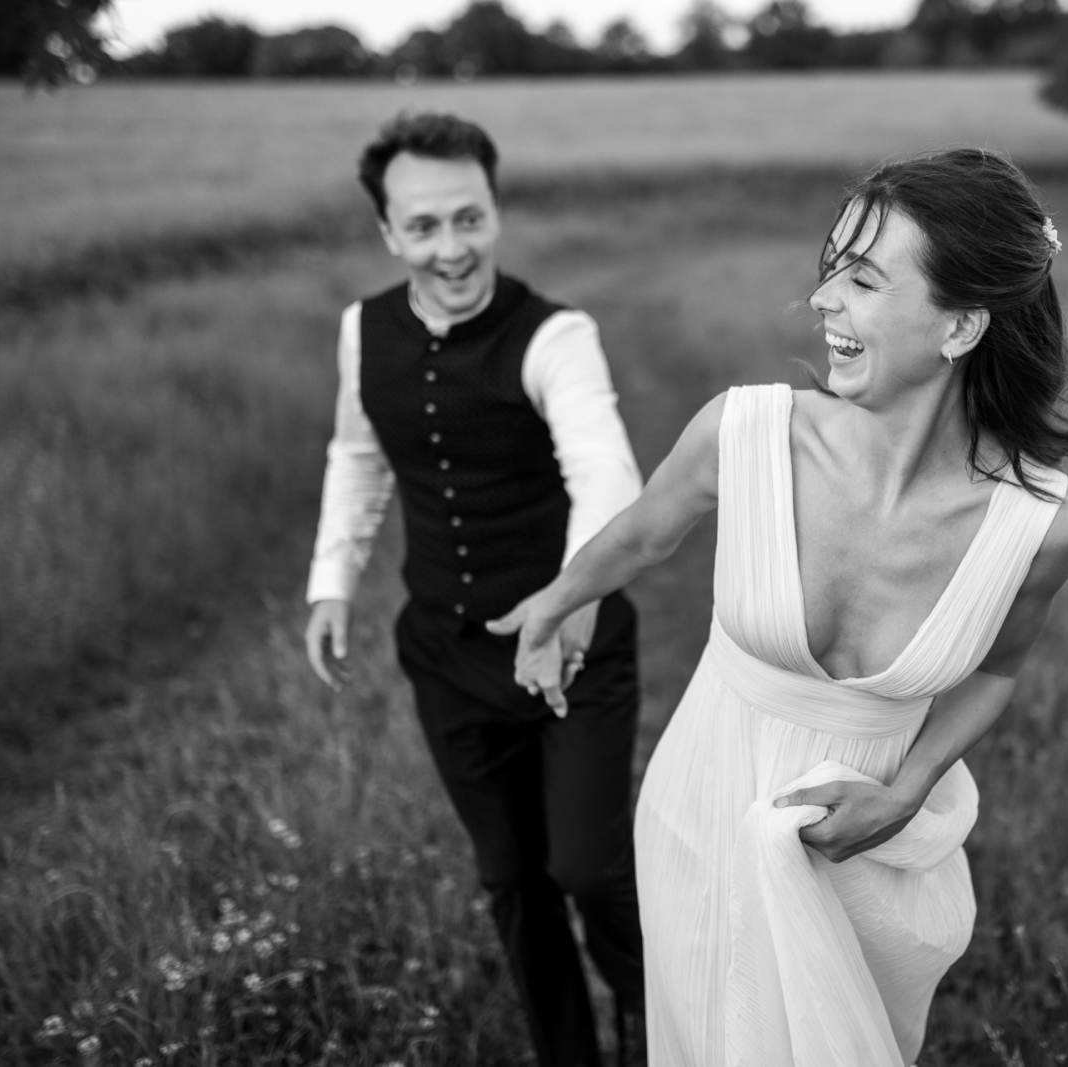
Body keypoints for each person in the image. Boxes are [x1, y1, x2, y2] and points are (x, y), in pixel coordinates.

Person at [490, 149, 1068, 1066]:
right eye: (831, 270)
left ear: (961, 324)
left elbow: (998, 669)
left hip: (869, 847)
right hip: (706, 805)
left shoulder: (1038, 524)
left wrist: (906, 790)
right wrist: (558, 600)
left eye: (863, 278)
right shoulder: (746, 430)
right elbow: (645, 532)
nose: (823, 301)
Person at [302, 112, 648, 1067]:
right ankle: (568, 1053)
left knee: (583, 865)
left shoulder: (556, 337)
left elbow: (606, 478)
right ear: (387, 232)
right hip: (449, 659)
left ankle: (655, 1007)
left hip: (571, 650)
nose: (451, 249)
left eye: (470, 218)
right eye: (424, 227)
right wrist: (332, 580)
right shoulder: (361, 331)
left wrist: (568, 607)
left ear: (495, 211)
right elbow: (357, 453)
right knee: (511, 880)